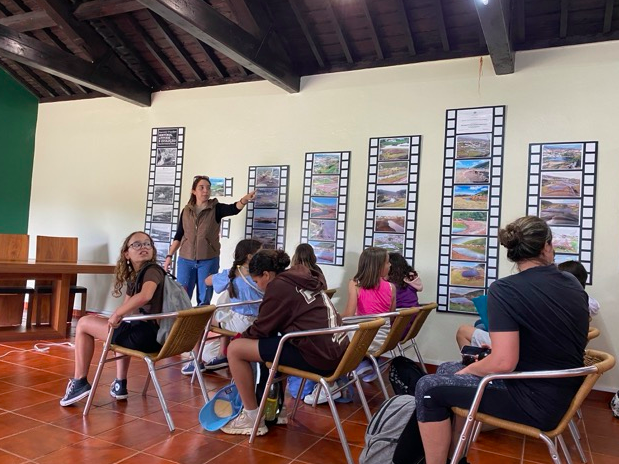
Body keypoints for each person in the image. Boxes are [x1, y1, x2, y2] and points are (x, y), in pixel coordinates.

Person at [415, 216, 589, 464]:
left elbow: (504, 363)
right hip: (562, 391)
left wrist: (471, 369)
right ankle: (456, 458)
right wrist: (492, 356)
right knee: (445, 370)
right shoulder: (571, 282)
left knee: (428, 387)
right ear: (546, 246)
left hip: (534, 400)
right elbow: (550, 338)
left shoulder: (505, 289)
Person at [219, 249, 349, 435]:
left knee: (235, 350)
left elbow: (261, 328)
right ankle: (277, 409)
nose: (258, 286)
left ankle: (251, 417)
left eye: (256, 281)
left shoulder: (278, 287)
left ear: (266, 274)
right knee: (275, 346)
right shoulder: (300, 278)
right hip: (336, 351)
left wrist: (240, 337)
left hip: (319, 357)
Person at [60, 231, 165, 406]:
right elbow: (126, 310)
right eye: (137, 244)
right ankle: (120, 385)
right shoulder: (137, 276)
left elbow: (145, 295)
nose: (144, 247)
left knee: (83, 323)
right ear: (126, 254)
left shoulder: (152, 271)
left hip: (148, 337)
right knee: (119, 326)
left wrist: (116, 315)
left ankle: (79, 382)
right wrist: (116, 316)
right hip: (157, 337)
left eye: (148, 244)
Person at [164, 175, 256, 306]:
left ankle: (202, 320)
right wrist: (169, 256)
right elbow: (179, 235)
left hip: (208, 260)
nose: (205, 191)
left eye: (208, 188)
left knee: (204, 298)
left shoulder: (216, 208)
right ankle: (184, 320)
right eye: (201, 188)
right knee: (182, 297)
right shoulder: (186, 211)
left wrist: (244, 200)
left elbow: (233, 209)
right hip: (185, 260)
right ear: (193, 191)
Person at [181, 239, 264, 374]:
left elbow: (207, 282)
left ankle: (196, 361)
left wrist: (216, 276)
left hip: (240, 322)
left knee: (199, 318)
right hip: (258, 321)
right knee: (223, 311)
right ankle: (221, 355)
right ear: (249, 256)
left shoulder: (232, 274)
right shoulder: (263, 274)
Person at [341, 246, 395, 384]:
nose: (390, 265)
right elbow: (391, 316)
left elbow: (348, 315)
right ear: (378, 266)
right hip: (383, 339)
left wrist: (333, 317)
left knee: (334, 335)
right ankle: (366, 364)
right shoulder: (391, 287)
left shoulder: (355, 284)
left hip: (363, 339)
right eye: (387, 262)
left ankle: (355, 368)